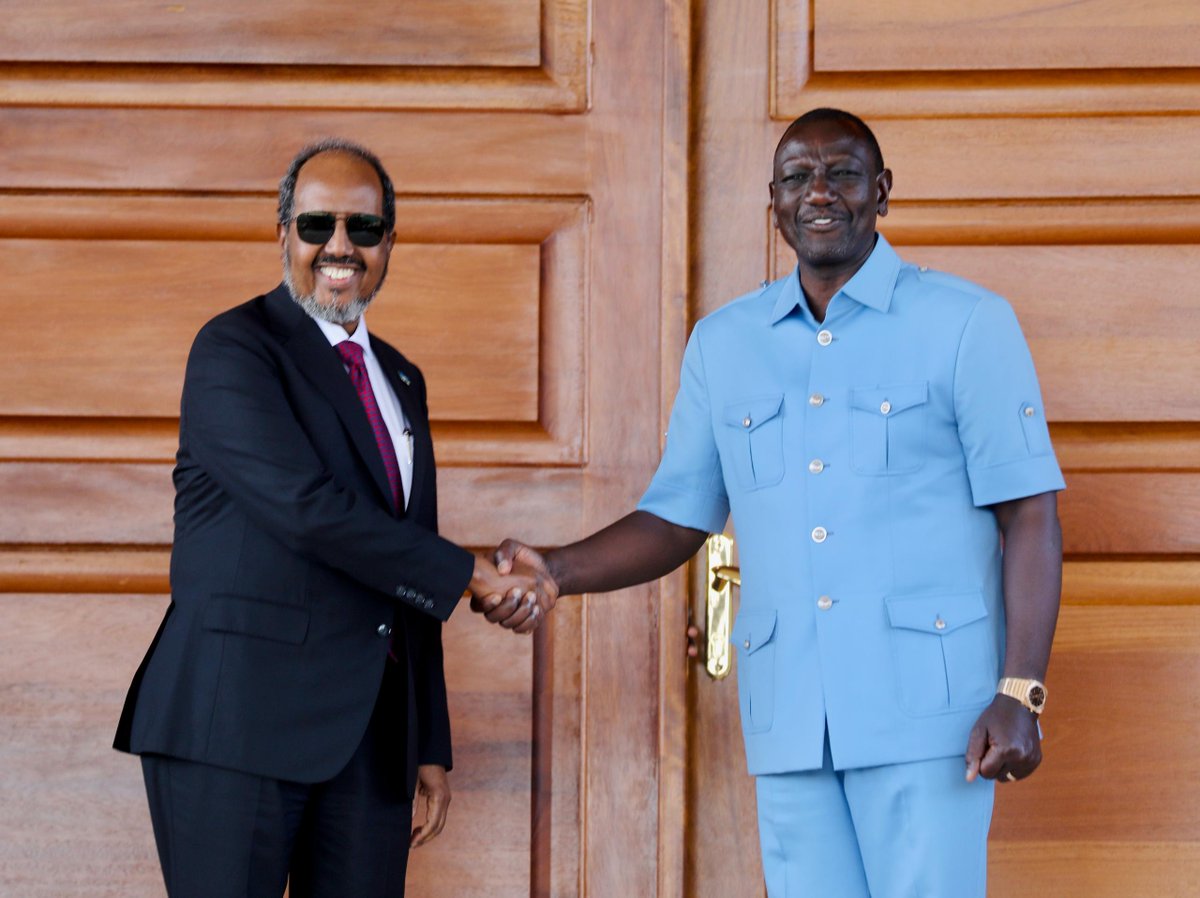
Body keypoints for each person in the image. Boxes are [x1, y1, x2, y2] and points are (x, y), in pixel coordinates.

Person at [480, 109, 1064, 897]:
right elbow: (680, 515)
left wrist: (1019, 690)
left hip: (935, 719)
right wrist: (557, 568)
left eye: (843, 173)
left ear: (882, 191)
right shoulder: (725, 343)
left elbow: (1029, 513)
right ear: (775, 202)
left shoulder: (966, 324)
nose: (819, 192)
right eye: (797, 177)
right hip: (792, 715)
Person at [113, 139, 548, 898]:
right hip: (235, 726)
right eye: (317, 226)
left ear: (389, 243)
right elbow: (308, 512)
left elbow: (402, 555)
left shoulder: (401, 377)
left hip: (370, 740)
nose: (339, 247)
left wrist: (427, 739)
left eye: (363, 228)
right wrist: (474, 576)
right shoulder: (235, 349)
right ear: (283, 233)